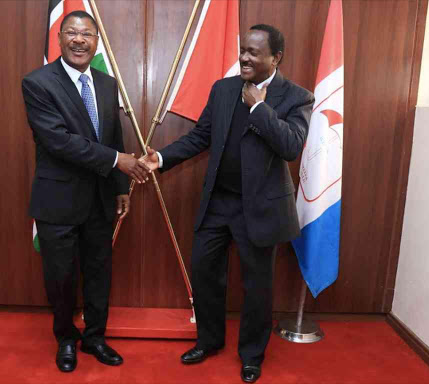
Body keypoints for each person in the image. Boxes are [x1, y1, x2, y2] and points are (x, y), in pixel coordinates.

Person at [141, 24, 314, 383]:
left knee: (257, 288)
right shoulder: (223, 89)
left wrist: (260, 109)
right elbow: (201, 136)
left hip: (260, 208)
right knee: (204, 274)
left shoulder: (296, 97)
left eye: (254, 52)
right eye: (243, 50)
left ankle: (252, 355)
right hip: (218, 203)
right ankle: (209, 341)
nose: (244, 58)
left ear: (275, 57)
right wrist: (163, 158)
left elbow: (292, 146)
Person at [22, 10, 150, 373]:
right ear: (59, 38)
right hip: (57, 201)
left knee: (99, 271)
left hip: (99, 199)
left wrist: (120, 185)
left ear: (96, 41)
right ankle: (65, 338)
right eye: (72, 33)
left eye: (87, 34)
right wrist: (119, 161)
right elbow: (59, 141)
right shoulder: (38, 83)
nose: (80, 40)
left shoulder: (107, 84)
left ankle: (95, 336)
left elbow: (112, 135)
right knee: (60, 277)